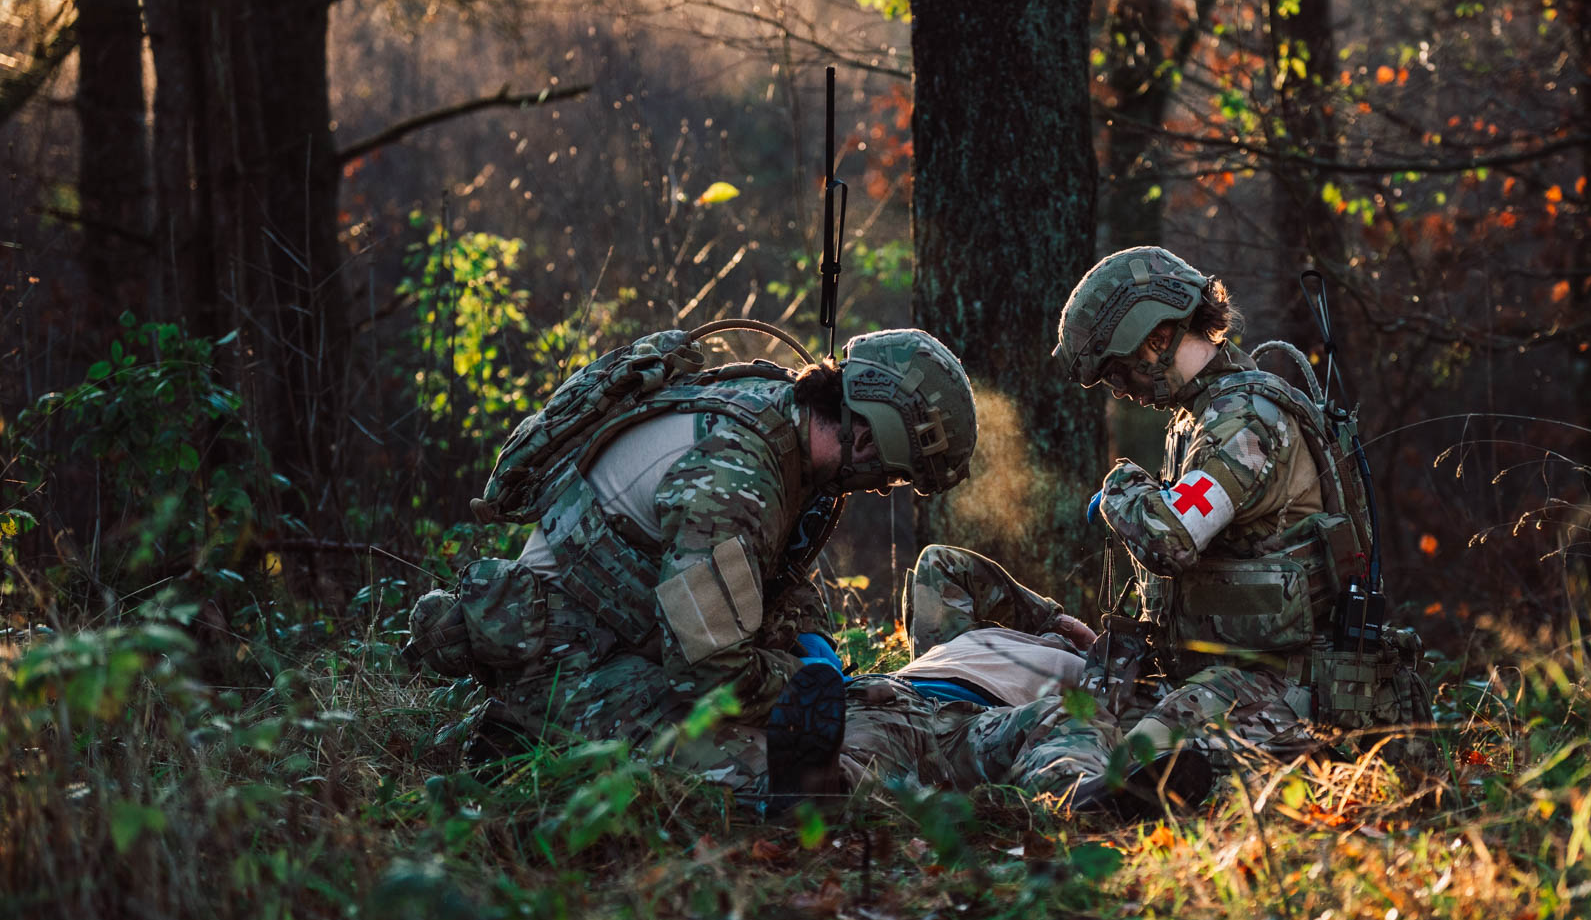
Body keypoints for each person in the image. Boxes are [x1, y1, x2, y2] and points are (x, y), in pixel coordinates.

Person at [404, 326, 978, 802]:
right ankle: (524, 742)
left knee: (816, 738)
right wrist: (809, 683)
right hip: (569, 667)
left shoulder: (775, 412)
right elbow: (709, 676)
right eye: (897, 474)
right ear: (871, 437)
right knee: (784, 780)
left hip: (626, 642)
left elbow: (777, 570)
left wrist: (812, 648)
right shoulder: (734, 479)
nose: (885, 487)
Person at [1051, 245, 1431, 770]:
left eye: (1119, 371)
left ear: (1157, 338)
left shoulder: (1245, 419)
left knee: (1133, 768)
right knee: (1063, 732)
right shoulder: (1202, 416)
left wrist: (1122, 487)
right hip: (1228, 671)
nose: (1121, 390)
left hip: (1287, 682)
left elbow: (1168, 537)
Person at [833, 544, 1213, 817]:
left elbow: (1123, 719)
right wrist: (1058, 622)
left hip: (979, 728)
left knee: (1065, 717)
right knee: (835, 776)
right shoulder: (955, 640)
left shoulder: (1105, 675)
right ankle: (804, 777)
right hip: (895, 696)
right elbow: (942, 563)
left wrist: (1110, 661)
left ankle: (1081, 794)